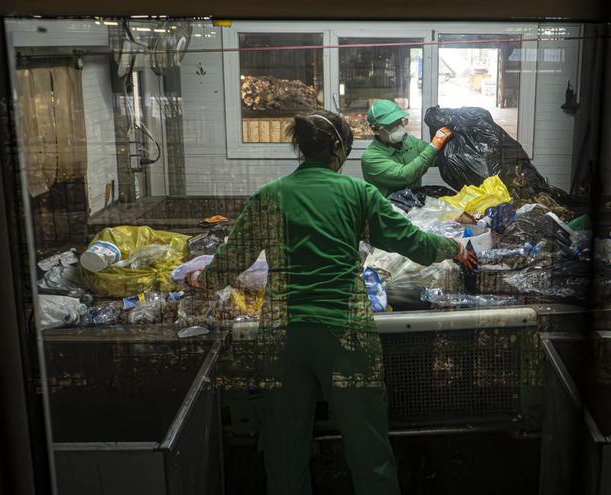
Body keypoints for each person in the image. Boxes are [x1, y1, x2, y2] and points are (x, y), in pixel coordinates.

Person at [186, 110, 476, 495]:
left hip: (283, 337)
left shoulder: (269, 197)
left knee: (285, 452)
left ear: (301, 149)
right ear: (339, 148)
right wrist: (452, 247)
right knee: (369, 448)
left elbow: (229, 263)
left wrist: (200, 280)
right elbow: (412, 243)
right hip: (347, 333)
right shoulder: (358, 194)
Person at [360, 99, 454, 196]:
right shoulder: (371, 158)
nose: (400, 128)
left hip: (413, 206)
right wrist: (434, 145)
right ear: (375, 130)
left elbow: (438, 158)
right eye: (392, 126)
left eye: (400, 122)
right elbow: (405, 176)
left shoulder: (409, 141)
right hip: (387, 209)